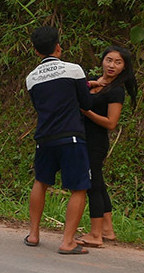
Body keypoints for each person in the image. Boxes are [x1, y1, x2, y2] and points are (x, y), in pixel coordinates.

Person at [25, 26, 94, 255]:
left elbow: (40, 106)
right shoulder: (74, 70)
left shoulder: (31, 78)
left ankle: (34, 234)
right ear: (58, 46)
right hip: (71, 136)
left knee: (41, 181)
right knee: (79, 187)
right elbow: (86, 103)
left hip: (44, 137)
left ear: (36, 52)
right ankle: (67, 241)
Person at [76, 45, 137, 248]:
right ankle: (107, 230)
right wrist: (92, 82)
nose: (112, 65)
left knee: (92, 186)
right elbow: (75, 88)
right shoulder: (97, 83)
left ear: (124, 67)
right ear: (102, 60)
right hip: (84, 141)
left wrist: (87, 113)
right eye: (109, 60)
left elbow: (111, 123)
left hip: (95, 143)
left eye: (118, 62)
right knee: (99, 185)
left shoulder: (116, 91)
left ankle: (95, 234)